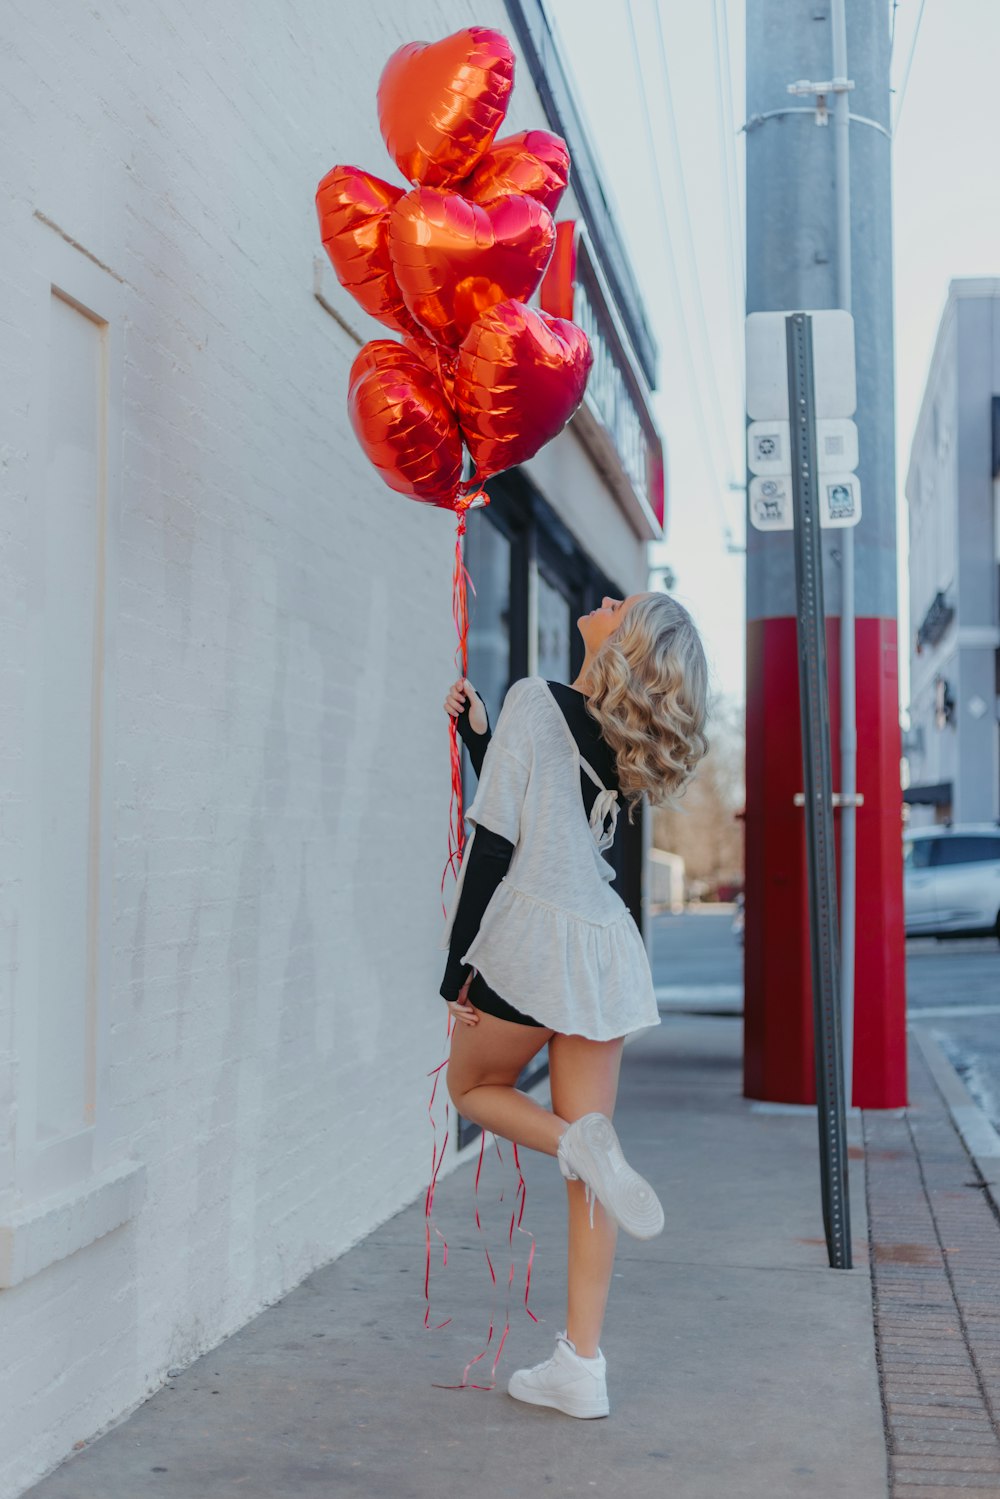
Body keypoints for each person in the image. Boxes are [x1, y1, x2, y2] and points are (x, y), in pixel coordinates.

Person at [439, 591, 709, 1419]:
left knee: (471, 1091)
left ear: (624, 635)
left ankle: (573, 1142)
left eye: (620, 602)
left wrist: (456, 975)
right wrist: (484, 739)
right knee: (588, 1169)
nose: (604, 597)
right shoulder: (627, 744)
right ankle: (580, 1366)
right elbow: (559, 823)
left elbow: (498, 842)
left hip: (529, 943)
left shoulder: (535, 696)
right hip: (604, 955)